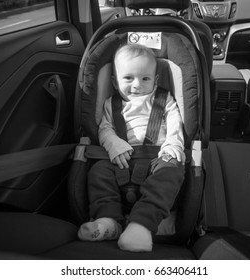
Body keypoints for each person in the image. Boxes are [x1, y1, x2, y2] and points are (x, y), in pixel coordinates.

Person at [77, 43, 185, 252]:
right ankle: (108, 221)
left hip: (157, 157)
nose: (137, 85)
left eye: (145, 78)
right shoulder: (111, 103)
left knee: (172, 169)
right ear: (115, 82)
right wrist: (113, 143)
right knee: (98, 172)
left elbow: (175, 122)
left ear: (156, 80)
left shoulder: (164, 99)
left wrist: (173, 143)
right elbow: (105, 128)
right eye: (128, 78)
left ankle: (141, 225)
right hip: (121, 159)